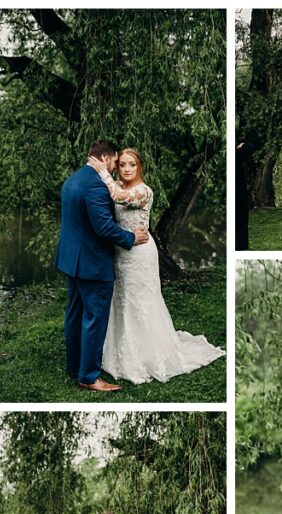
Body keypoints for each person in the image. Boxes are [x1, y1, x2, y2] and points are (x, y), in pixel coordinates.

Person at [88, 148, 225, 384]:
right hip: (121, 252)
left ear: (140, 166)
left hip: (140, 253)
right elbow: (113, 201)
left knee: (142, 299)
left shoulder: (144, 191)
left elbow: (119, 198)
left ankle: (149, 354)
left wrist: (102, 171)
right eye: (121, 165)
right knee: (122, 298)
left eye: (131, 165)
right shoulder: (120, 186)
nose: (126, 169)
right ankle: (120, 352)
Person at [54, 141, 149, 393]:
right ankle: (88, 376)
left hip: (72, 260)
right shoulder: (96, 186)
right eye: (116, 162)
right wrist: (130, 238)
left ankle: (75, 366)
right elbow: (104, 228)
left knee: (74, 315)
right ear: (106, 159)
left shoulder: (73, 179)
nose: (117, 167)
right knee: (94, 318)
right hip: (92, 263)